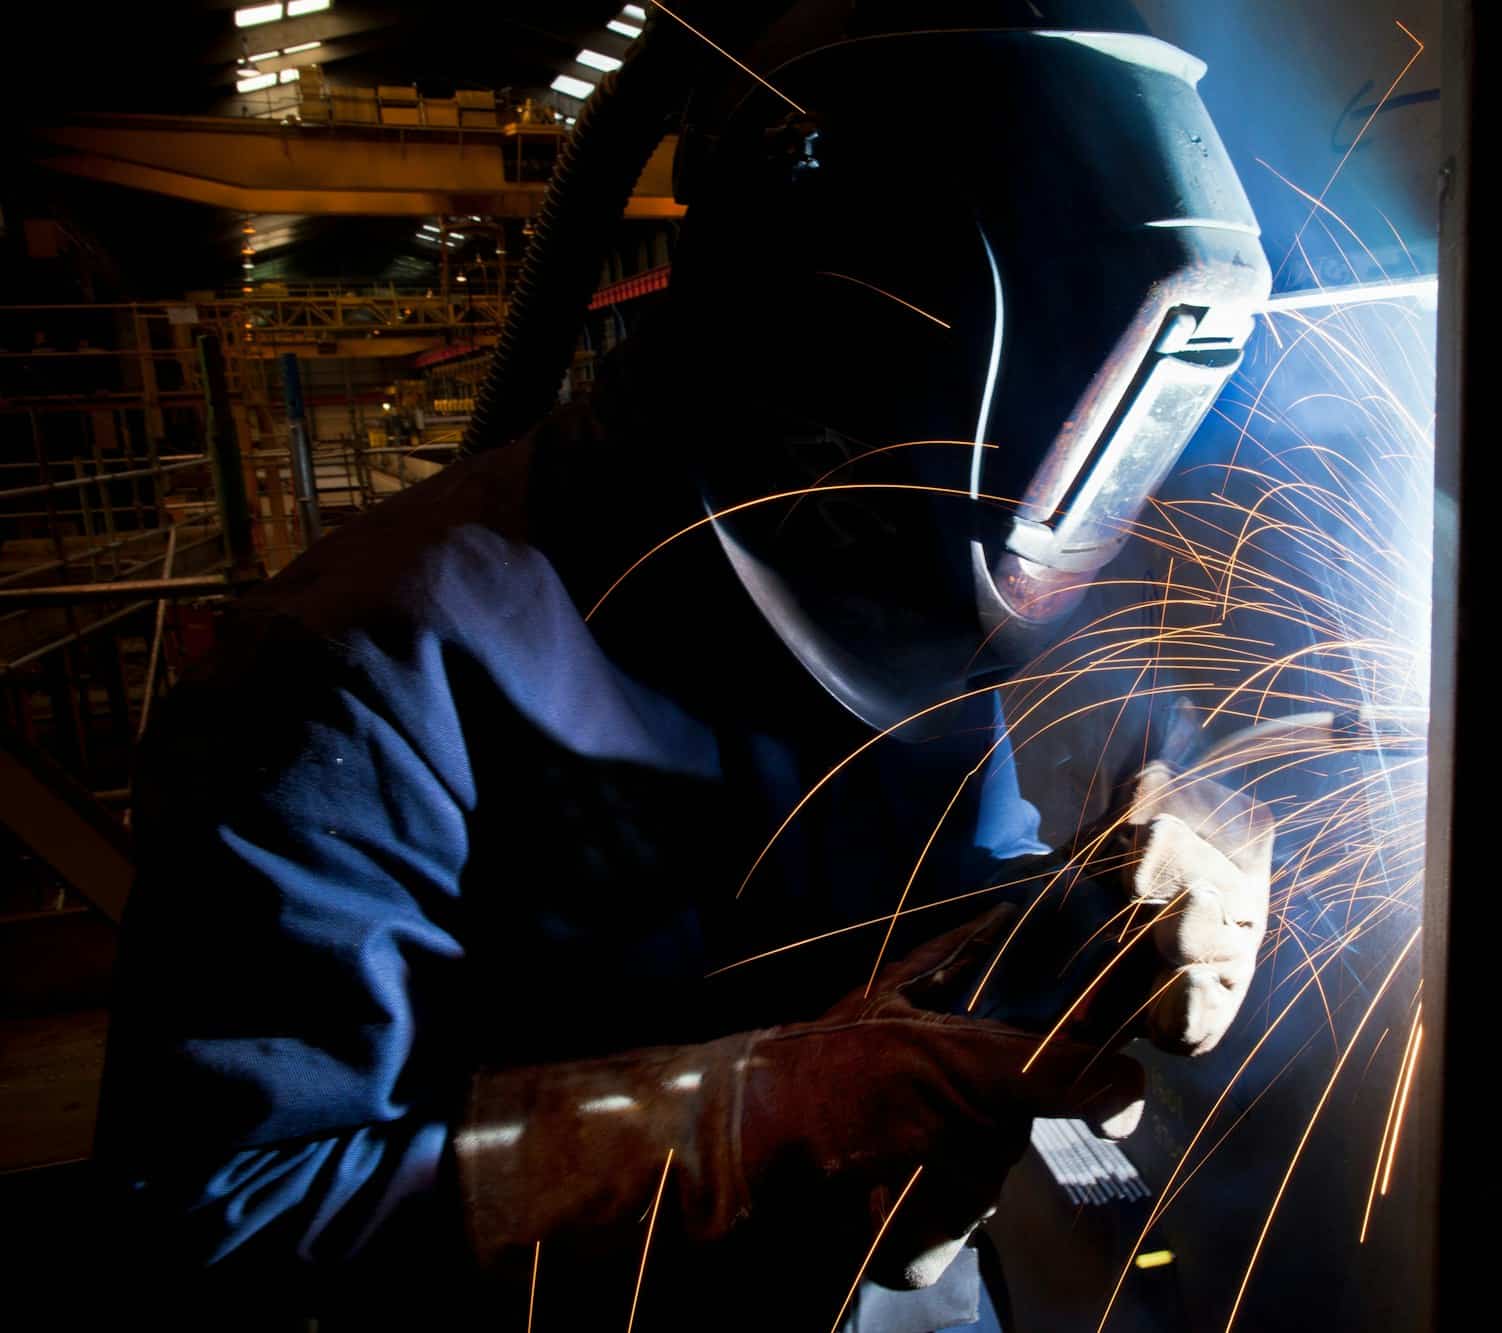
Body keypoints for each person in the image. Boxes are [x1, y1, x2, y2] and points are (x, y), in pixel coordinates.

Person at [96, 4, 1273, 1328]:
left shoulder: (894, 581)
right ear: (812, 354)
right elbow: (217, 1219)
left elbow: (908, 912)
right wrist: (734, 1126)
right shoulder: (352, 677)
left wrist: (1074, 929)